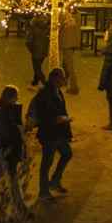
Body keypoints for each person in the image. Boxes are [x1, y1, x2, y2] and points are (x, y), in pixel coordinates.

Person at [28, 68, 73, 202]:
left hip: (58, 132)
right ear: (54, 78)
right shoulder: (45, 94)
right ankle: (43, 192)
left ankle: (54, 181)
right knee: (47, 162)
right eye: (62, 78)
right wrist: (57, 119)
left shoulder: (56, 91)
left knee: (67, 154)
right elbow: (44, 115)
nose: (64, 80)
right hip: (49, 133)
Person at [0, 85, 29, 216]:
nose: (17, 99)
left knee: (0, 174)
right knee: (12, 177)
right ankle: (20, 206)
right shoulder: (2, 110)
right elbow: (16, 130)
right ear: (10, 97)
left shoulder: (1, 109)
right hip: (7, 149)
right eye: (15, 97)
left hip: (6, 148)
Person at [58, 8, 81, 95]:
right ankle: (64, 81)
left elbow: (59, 27)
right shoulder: (77, 14)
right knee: (65, 63)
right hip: (73, 41)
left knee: (70, 66)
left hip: (66, 42)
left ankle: (74, 86)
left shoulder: (63, 15)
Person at [26, 15, 50, 87]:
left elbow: (28, 41)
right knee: (38, 66)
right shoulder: (47, 28)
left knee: (37, 68)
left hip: (35, 50)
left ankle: (45, 82)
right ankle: (35, 80)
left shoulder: (33, 29)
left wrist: (31, 49)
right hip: (44, 51)